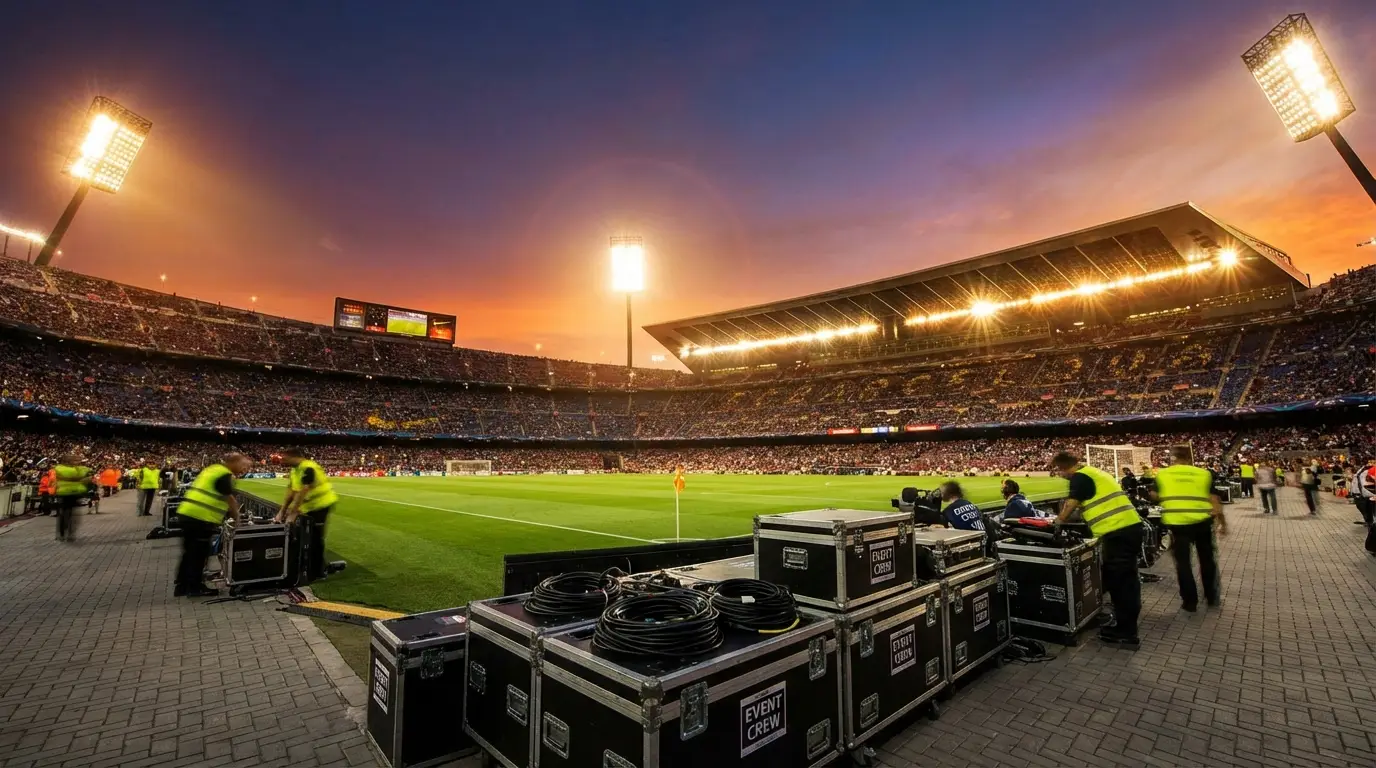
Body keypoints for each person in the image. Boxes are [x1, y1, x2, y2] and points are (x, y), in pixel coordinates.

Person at [1052, 450, 1143, 647]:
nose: (1060, 475)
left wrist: (1057, 522)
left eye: (1059, 471)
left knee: (1122, 585)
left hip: (1118, 533)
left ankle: (1127, 633)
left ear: (1064, 468)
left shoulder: (1080, 477)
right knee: (1124, 582)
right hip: (1128, 529)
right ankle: (1125, 626)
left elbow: (1070, 505)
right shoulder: (1094, 472)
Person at [1151, 447, 1226, 612]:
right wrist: (1222, 522)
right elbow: (1214, 499)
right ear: (1189, 458)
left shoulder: (1163, 474)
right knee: (1207, 560)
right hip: (1202, 522)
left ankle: (1190, 602)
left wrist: (1166, 497)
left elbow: (1154, 495)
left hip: (1178, 524)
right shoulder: (1203, 474)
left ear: (1173, 458)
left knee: (1183, 563)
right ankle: (1212, 596)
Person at [175, 453, 253, 597]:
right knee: (199, 554)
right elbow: (228, 497)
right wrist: (237, 517)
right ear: (234, 462)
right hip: (201, 517)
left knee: (189, 552)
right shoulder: (224, 474)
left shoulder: (212, 469)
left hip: (187, 513)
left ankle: (181, 586)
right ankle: (194, 587)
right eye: (243, 465)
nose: (245, 469)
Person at [276, 448, 340, 581]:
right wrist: (282, 511)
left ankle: (319, 572)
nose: (283, 461)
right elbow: (291, 491)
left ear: (294, 457)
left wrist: (293, 512)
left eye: (285, 458)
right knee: (307, 538)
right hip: (310, 507)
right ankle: (313, 567)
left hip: (322, 505)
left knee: (316, 538)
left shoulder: (308, 468)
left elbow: (304, 490)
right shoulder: (295, 470)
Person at [53, 455, 94, 542]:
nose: (77, 462)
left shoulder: (76, 469)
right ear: (67, 461)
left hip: (74, 493)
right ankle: (62, 534)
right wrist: (83, 477)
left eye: (78, 460)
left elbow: (86, 473)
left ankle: (69, 534)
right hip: (64, 494)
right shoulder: (61, 468)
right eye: (75, 460)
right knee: (64, 514)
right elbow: (75, 474)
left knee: (71, 515)